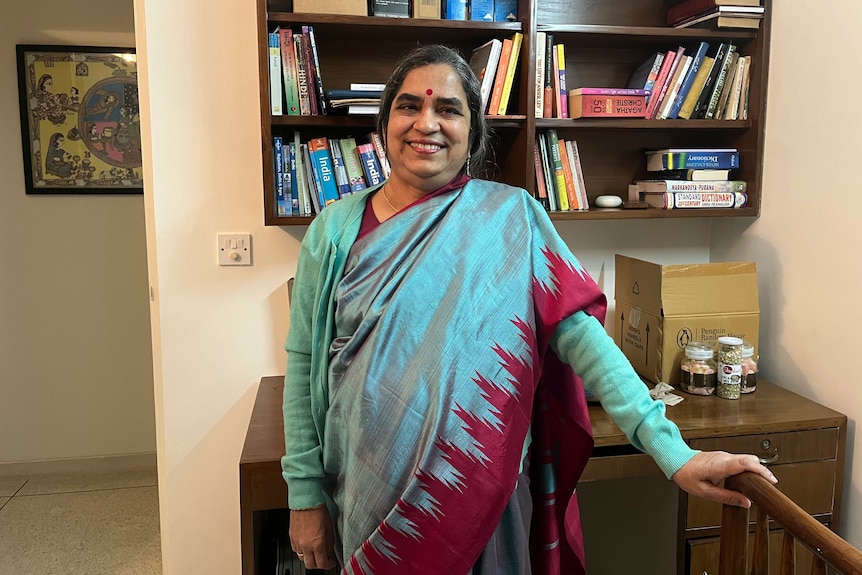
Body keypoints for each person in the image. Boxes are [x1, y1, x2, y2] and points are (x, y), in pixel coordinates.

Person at [281, 44, 776, 575]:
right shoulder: (333, 231)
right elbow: (304, 364)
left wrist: (675, 453)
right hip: (363, 491)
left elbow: (586, 343)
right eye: (408, 106)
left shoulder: (512, 219)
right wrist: (304, 495)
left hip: (481, 491)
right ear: (385, 122)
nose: (426, 122)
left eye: (448, 109)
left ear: (472, 132)